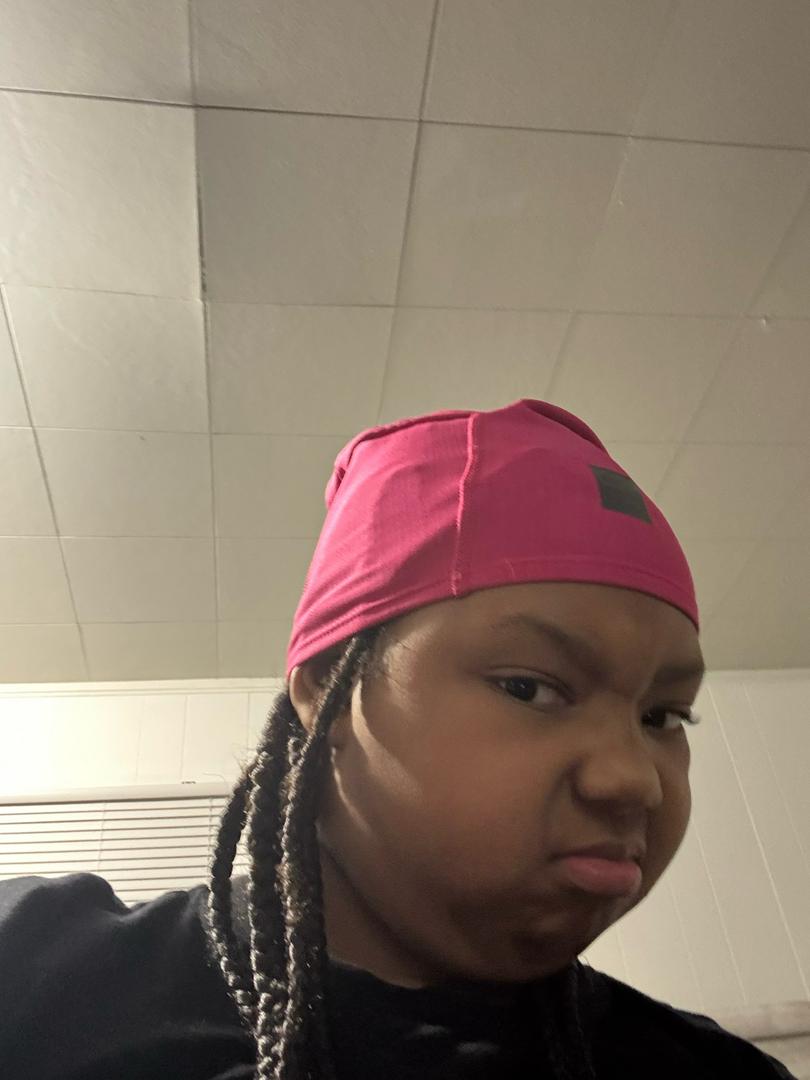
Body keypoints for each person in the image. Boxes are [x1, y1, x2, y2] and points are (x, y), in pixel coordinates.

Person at [0, 399, 796, 1080]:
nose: (634, 779)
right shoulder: (38, 976)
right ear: (327, 691)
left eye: (664, 717)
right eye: (529, 687)